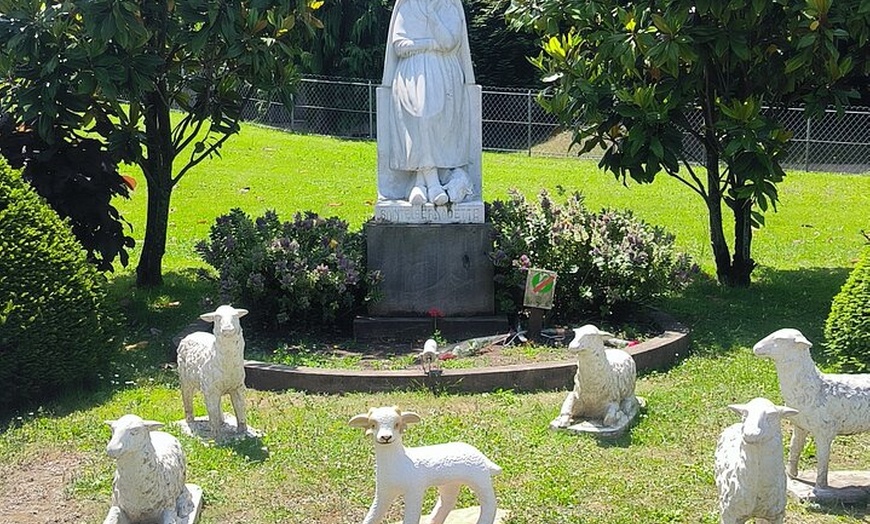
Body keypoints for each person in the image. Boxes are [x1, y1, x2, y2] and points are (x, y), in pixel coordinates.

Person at [381, 0, 475, 206]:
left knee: (432, 118)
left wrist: (432, 15)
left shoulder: (449, 7)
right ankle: (432, 182)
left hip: (444, 74)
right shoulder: (408, 6)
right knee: (420, 115)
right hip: (411, 75)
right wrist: (430, 44)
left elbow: (449, 43)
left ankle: (419, 183)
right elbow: (399, 45)